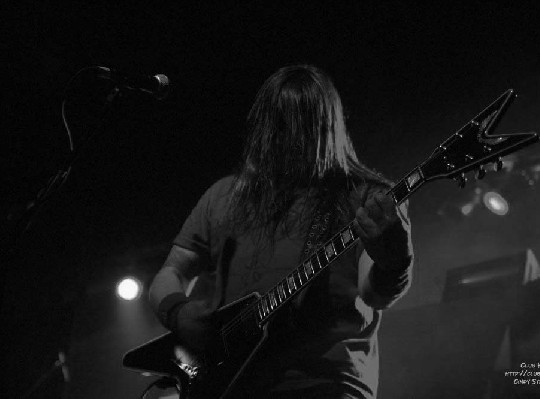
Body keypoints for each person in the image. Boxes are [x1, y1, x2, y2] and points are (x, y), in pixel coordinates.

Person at [148, 64, 413, 399]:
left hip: (324, 386)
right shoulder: (224, 195)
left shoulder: (368, 197)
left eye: (303, 125)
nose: (291, 138)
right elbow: (170, 272)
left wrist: (395, 262)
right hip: (232, 386)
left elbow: (374, 295)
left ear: (326, 126)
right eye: (281, 124)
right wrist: (178, 311)